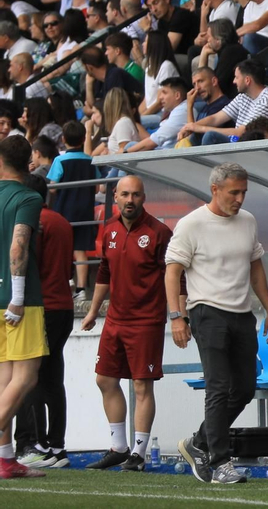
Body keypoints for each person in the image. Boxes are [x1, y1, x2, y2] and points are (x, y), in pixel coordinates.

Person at [169, 162, 268, 486]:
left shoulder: (248, 221)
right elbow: (172, 273)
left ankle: (199, 442)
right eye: (234, 192)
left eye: (244, 192)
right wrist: (177, 317)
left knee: (244, 388)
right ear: (215, 189)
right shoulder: (191, 224)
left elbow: (256, 268)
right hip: (206, 312)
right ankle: (219, 463)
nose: (240, 198)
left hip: (242, 314)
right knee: (217, 387)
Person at [80, 175, 171, 471]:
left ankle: (139, 454)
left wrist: (178, 314)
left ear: (143, 197)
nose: (130, 200)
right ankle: (119, 447)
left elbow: (174, 276)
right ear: (116, 197)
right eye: (125, 195)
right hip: (115, 319)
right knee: (105, 379)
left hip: (146, 321)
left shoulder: (159, 232)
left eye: (136, 195)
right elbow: (104, 272)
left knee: (142, 385)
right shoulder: (108, 229)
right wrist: (94, 311)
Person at [12, 174, 69, 471]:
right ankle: (57, 445)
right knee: (53, 377)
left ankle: (32, 443)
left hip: (40, 306)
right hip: (63, 306)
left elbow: (26, 261)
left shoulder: (35, 223)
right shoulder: (61, 221)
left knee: (27, 373)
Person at [0, 136, 46, 480]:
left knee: (5, 380)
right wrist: (17, 295)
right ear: (28, 162)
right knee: (26, 377)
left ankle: (5, 460)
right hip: (21, 300)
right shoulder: (28, 197)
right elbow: (19, 247)